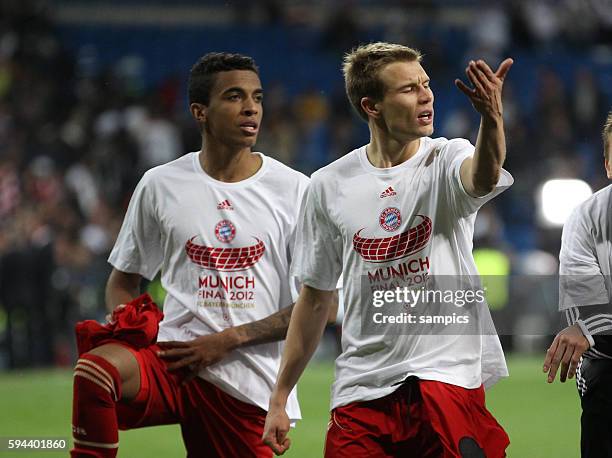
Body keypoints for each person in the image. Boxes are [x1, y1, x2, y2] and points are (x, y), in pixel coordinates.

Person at [263, 42, 514, 457]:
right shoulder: (327, 185)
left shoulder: (447, 157)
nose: (426, 94)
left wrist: (492, 116)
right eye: (408, 89)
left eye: (426, 84)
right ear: (372, 106)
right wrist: (279, 397)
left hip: (444, 378)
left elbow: (483, 177)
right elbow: (314, 299)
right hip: (362, 389)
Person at [70, 52, 309, 458]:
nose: (251, 107)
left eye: (257, 96)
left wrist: (228, 340)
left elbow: (321, 305)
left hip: (244, 383)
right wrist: (129, 322)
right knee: (95, 371)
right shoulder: (160, 184)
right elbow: (123, 280)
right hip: (173, 362)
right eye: (234, 97)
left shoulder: (296, 189)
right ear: (200, 112)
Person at [543, 110, 612, 458]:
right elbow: (586, 313)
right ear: (608, 165)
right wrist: (588, 328)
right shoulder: (587, 217)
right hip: (609, 362)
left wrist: (591, 328)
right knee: (601, 375)